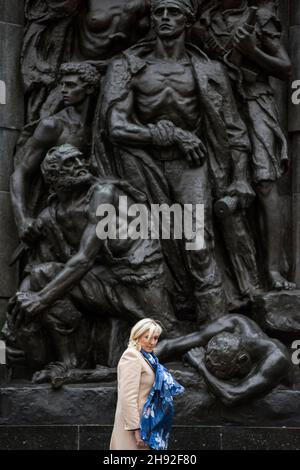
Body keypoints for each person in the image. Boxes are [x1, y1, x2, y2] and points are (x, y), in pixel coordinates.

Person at [101, 0, 255, 322]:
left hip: (192, 165)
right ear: (152, 19)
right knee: (147, 244)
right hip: (140, 164)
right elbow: (114, 126)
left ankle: (216, 327)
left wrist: (240, 179)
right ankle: (163, 328)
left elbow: (234, 130)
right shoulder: (127, 66)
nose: (166, 18)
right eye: (160, 12)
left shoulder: (210, 70)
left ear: (187, 19)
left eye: (173, 12)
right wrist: (169, 135)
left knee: (198, 243)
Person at [3, 145, 177, 373]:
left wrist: (41, 300)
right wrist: (12, 321)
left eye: (79, 160)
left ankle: (205, 337)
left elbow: (84, 258)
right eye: (69, 164)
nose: (80, 166)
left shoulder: (103, 194)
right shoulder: (52, 215)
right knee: (40, 275)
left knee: (166, 331)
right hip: (104, 282)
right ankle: (71, 363)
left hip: (139, 281)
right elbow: (37, 271)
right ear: (53, 176)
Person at [197, 0, 295, 290]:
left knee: (266, 182)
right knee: (216, 183)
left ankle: (274, 270)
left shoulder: (260, 17)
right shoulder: (206, 20)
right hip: (216, 103)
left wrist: (253, 51)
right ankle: (225, 276)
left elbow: (286, 68)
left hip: (254, 100)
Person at [156, 314, 292, 406]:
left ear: (242, 359)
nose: (215, 373)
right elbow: (169, 345)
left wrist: (201, 365)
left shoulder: (277, 358)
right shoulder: (234, 323)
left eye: (220, 371)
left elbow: (232, 396)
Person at [110, 318, 184, 450]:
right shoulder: (132, 356)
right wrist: (136, 429)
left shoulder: (148, 358)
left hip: (147, 424)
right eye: (147, 337)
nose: (152, 342)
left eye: (155, 338)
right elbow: (127, 397)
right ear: (137, 336)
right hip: (135, 428)